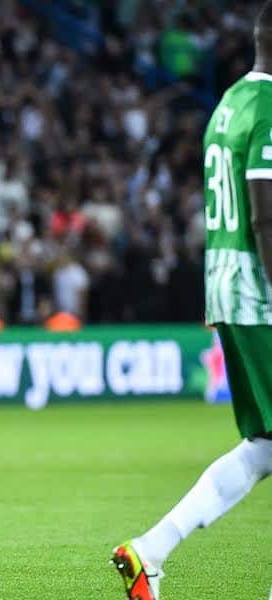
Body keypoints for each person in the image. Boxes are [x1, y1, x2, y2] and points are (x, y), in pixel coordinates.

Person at [112, 4, 272, 598]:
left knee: (263, 446)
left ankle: (149, 551)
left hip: (227, 282)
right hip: (261, 291)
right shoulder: (268, 108)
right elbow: (264, 213)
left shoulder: (228, 103)